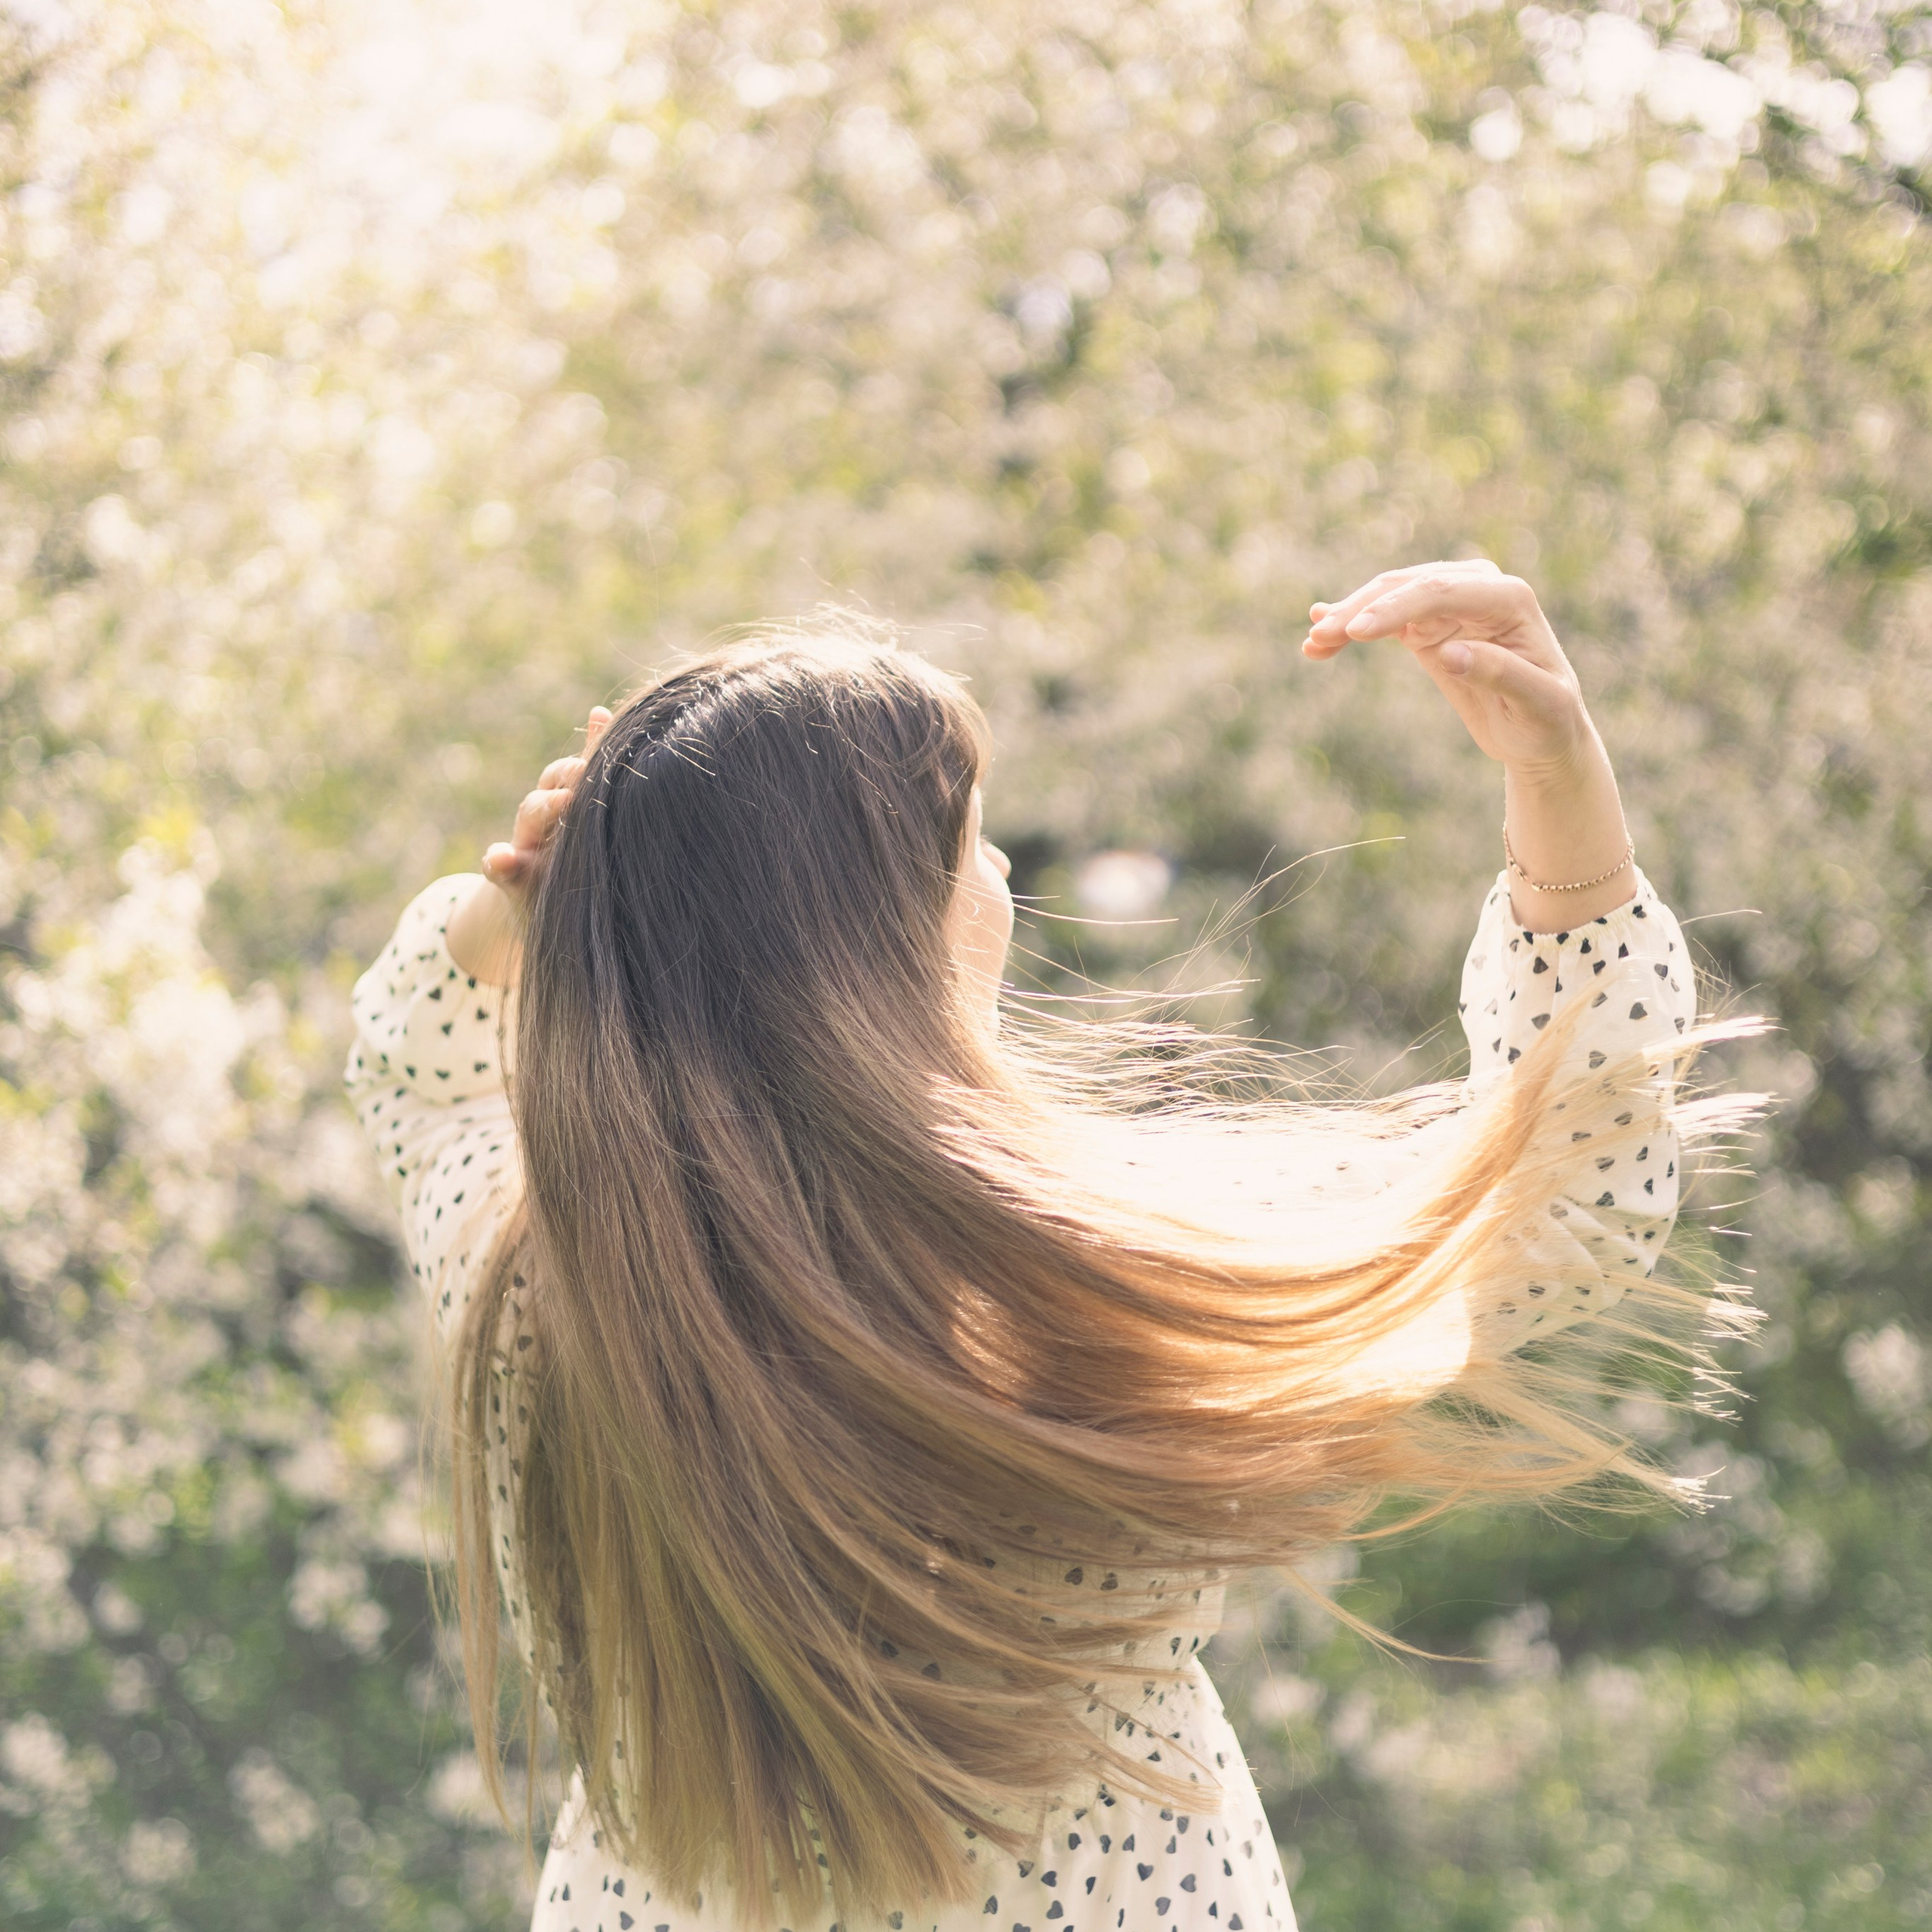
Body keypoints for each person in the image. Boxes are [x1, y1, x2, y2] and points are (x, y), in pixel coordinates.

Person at [345, 559, 1755, 1932]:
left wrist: (505, 915)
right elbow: (1568, 1197)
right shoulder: (1081, 1296)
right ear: (877, 947)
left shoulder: (547, 1306)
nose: (1004, 873)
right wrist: (1565, 802)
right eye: (971, 847)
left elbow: (423, 1076)